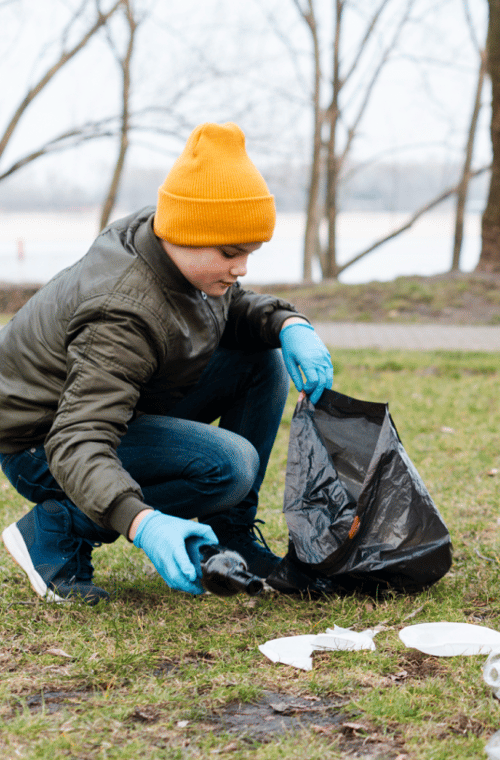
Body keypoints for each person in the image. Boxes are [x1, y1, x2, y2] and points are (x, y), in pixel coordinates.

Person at [0, 122, 334, 603]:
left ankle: (232, 536)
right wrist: (143, 522)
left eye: (250, 253)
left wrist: (287, 324)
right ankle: (56, 531)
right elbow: (79, 437)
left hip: (109, 412)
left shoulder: (174, 248)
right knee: (228, 467)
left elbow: (228, 307)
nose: (242, 268)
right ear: (190, 233)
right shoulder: (121, 312)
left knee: (262, 359)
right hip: (45, 443)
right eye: (232, 253)